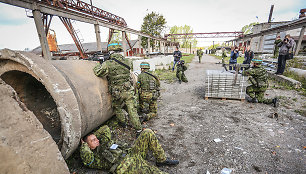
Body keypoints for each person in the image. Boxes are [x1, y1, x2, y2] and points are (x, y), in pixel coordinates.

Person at [80, 125, 179, 173]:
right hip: (127, 166)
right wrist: (84, 144)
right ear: (88, 146)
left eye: (96, 138)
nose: (97, 140)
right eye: (93, 140)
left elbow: (105, 128)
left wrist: (92, 136)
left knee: (147, 132)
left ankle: (161, 160)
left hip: (132, 153)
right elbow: (86, 159)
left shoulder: (104, 142)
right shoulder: (94, 158)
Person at [93, 53, 142, 131]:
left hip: (117, 92)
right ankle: (139, 129)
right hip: (128, 90)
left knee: (117, 107)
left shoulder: (108, 63)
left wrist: (98, 64)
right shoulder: (128, 61)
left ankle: (123, 123)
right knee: (132, 110)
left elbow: (98, 72)